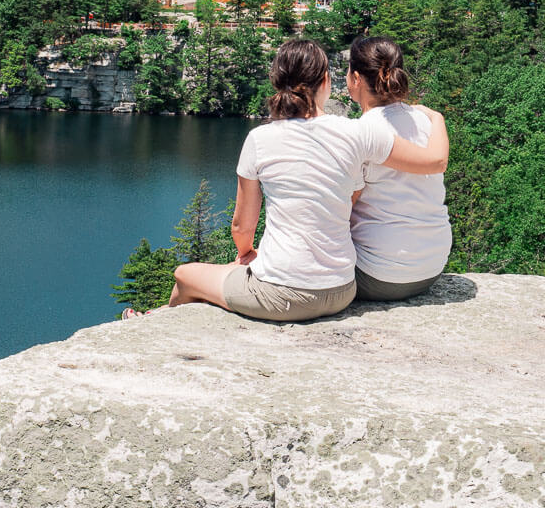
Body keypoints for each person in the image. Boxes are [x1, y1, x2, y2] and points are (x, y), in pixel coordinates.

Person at [124, 39, 449, 323]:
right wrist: (436, 118)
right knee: (244, 266)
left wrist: (248, 253)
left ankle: (155, 325)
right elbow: (431, 162)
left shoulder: (261, 139)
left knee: (185, 275)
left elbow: (241, 228)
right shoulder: (357, 132)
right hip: (346, 285)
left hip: (309, 289)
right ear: (326, 82)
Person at [347, 36, 451, 301]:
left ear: (356, 79)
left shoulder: (361, 133)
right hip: (431, 268)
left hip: (377, 275)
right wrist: (438, 116)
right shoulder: (426, 120)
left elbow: (342, 209)